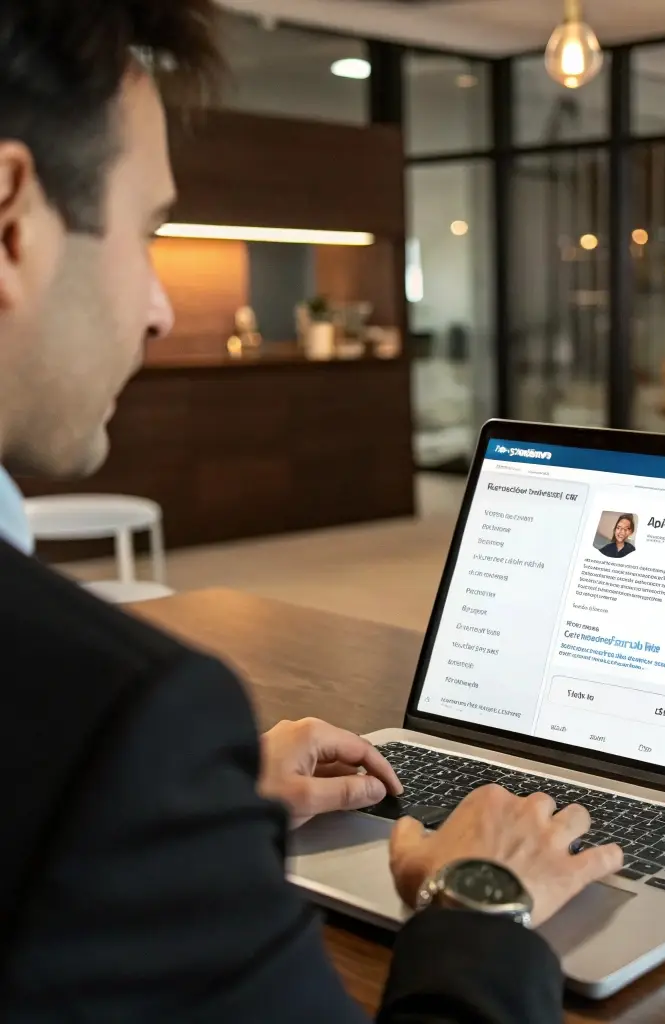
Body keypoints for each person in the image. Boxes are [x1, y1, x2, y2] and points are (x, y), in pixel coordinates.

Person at [0, 5, 621, 1021]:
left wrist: (192, 817)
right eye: (148, 229)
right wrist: (480, 899)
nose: (158, 306)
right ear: (10, 217)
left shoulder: (109, 753)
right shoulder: (115, 718)